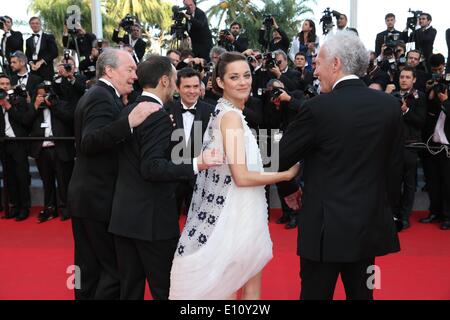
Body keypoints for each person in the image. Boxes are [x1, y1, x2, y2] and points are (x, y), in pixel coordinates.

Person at [277, 31, 402, 300]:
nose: (314, 70)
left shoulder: (317, 108)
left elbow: (278, 158)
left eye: (318, 63)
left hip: (323, 234)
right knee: (364, 295)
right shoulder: (389, 107)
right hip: (368, 230)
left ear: (335, 64)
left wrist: (288, 189)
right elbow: (395, 170)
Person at [169, 52, 299, 300]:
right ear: (219, 82)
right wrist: (285, 175)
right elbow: (242, 176)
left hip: (245, 209)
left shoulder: (230, 113)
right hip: (234, 214)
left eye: (247, 75)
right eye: (234, 77)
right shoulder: (230, 118)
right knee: (229, 287)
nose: (243, 82)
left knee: (243, 283)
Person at [108, 56, 221, 300]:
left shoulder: (128, 110)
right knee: (167, 290)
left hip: (123, 218)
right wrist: (197, 163)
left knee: (130, 290)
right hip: (153, 221)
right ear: (164, 80)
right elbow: (152, 167)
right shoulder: (157, 114)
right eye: (173, 80)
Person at [67, 48, 160, 300]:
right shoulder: (101, 96)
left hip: (87, 197)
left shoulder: (100, 95)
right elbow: (90, 141)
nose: (135, 75)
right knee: (114, 271)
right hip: (97, 199)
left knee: (88, 268)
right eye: (130, 69)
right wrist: (129, 122)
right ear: (109, 70)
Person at [164, 68, 215, 214]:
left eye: (195, 87)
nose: (192, 91)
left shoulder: (211, 112)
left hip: (200, 178)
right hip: (172, 177)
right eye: (187, 86)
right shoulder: (165, 110)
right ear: (178, 88)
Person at [27, 83, 75, 222]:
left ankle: (66, 208)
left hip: (60, 149)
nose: (43, 97)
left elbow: (69, 119)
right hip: (42, 150)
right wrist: (35, 107)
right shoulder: (34, 108)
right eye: (40, 94)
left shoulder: (62, 105)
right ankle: (50, 209)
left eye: (46, 94)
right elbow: (25, 122)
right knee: (47, 182)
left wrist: (53, 105)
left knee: (63, 181)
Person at [0, 74, 32, 221]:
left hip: (18, 143)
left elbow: (25, 120)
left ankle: (25, 207)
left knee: (21, 176)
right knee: (9, 177)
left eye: (7, 84)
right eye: (2, 84)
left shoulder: (18, 101)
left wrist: (9, 107)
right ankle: (14, 206)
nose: (4, 86)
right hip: (4, 144)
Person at [25, 17, 58, 81]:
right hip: (33, 71)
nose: (35, 25)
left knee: (47, 90)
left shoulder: (49, 37)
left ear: (40, 24)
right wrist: (31, 64)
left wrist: (40, 62)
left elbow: (54, 52)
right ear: (30, 25)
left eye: (37, 23)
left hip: (46, 70)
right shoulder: (28, 40)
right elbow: (27, 55)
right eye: (33, 23)